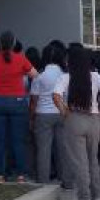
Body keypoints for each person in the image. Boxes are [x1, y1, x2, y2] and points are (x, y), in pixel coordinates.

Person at [52, 46, 100, 200]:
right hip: (94, 120)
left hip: (75, 119)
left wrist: (64, 111)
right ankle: (97, 194)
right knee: (93, 158)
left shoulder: (66, 77)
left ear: (69, 60)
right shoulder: (94, 76)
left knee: (80, 161)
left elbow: (56, 95)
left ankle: (84, 196)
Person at [0, 31, 38, 182]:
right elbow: (35, 75)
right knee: (18, 140)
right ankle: (20, 175)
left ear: (0, 44)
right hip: (18, 102)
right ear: (14, 44)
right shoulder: (21, 59)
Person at [30, 42, 67, 184]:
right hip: (61, 113)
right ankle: (65, 179)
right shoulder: (64, 75)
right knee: (62, 148)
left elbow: (34, 100)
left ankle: (43, 180)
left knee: (43, 149)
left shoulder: (40, 76)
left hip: (43, 114)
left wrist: (31, 118)